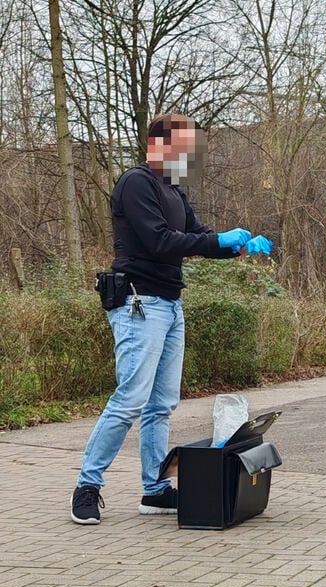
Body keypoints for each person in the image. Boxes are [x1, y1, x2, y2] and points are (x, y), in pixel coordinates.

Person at [71, 113, 272, 525]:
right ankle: (87, 486)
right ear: (159, 144)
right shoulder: (136, 183)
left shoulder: (174, 191)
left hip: (169, 305)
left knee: (161, 405)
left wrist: (237, 246)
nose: (190, 156)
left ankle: (155, 490)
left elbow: (197, 236)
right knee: (130, 399)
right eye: (185, 147)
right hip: (137, 302)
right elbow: (160, 241)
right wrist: (215, 239)